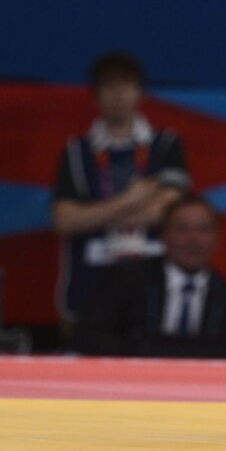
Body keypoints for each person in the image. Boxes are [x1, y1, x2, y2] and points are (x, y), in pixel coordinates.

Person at [51, 52, 191, 324]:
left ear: (140, 92)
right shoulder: (76, 152)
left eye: (126, 85)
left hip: (153, 274)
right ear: (95, 95)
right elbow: (64, 220)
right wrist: (131, 199)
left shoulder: (165, 145)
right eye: (109, 86)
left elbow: (169, 211)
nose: (118, 94)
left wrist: (92, 216)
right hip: (90, 278)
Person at [75, 194, 226, 358]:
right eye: (182, 229)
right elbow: (91, 338)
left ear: (217, 237)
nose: (193, 240)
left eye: (203, 229)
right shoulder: (125, 283)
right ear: (164, 235)